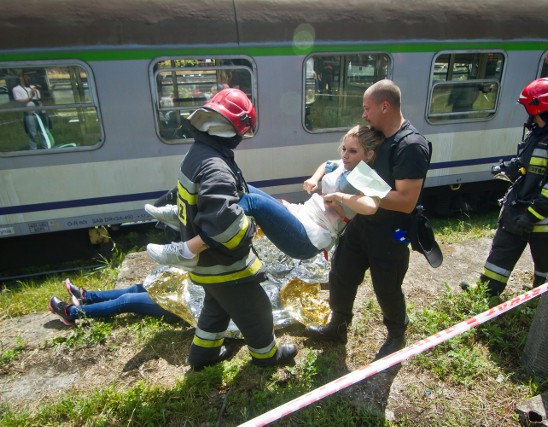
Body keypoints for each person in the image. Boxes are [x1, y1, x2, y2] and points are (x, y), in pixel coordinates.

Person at [164, 88, 296, 370]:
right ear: (238, 128)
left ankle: (203, 354)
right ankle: (267, 357)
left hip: (207, 265)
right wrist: (251, 225)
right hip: (226, 265)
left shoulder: (198, 154)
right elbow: (225, 227)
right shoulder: (216, 168)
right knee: (256, 309)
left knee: (216, 308)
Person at [306, 79, 432, 360]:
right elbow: (345, 161)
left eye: (367, 108)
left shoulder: (411, 146)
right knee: (341, 273)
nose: (363, 114)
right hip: (362, 223)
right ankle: (338, 326)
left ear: (385, 106)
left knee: (386, 287)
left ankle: (397, 333)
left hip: (391, 231)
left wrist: (358, 197)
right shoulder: (376, 136)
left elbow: (406, 200)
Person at [145, 124, 386, 267]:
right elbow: (326, 164)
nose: (345, 155)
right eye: (344, 148)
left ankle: (186, 251)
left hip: (311, 237)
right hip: (300, 214)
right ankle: (184, 212)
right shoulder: (343, 164)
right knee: (243, 188)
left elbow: (370, 206)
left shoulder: (367, 175)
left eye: (353, 151)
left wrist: (340, 198)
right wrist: (314, 179)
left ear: (368, 155)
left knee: (252, 202)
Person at [461, 77, 548, 297]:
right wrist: (510, 167)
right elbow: (527, 163)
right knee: (500, 253)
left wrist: (531, 216)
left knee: (545, 263)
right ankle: (486, 292)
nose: (529, 116)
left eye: (530, 110)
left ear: (541, 109)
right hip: (517, 209)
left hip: (545, 220)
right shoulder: (539, 133)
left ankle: (542, 296)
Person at [48, 278, 180, 326]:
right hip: (187, 290)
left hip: (183, 306)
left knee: (127, 300)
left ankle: (70, 313)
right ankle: (86, 297)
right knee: (138, 288)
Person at [12, 71, 51, 150]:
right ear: (21, 77)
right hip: (29, 114)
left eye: (29, 76)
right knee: (32, 133)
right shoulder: (16, 89)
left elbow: (40, 99)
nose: (28, 78)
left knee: (44, 131)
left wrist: (40, 90)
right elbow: (21, 101)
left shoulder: (33, 87)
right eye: (26, 76)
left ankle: (47, 148)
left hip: (40, 112)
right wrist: (31, 95)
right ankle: (34, 150)